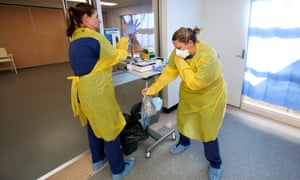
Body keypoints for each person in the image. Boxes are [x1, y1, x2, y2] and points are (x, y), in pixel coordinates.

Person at [142, 27, 228, 180]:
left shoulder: (208, 56)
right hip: (189, 95)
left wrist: (181, 63)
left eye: (179, 48)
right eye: (175, 48)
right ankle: (184, 142)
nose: (176, 51)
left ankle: (216, 163)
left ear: (190, 43)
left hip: (210, 98)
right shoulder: (179, 53)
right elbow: (168, 73)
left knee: (208, 131)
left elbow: (196, 83)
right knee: (183, 120)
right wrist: (152, 89)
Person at [65, 3, 135, 180]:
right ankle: (118, 170)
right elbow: (115, 56)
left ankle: (98, 159)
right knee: (110, 128)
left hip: (83, 91)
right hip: (97, 91)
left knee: (93, 124)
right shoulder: (94, 38)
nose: (100, 19)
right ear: (86, 18)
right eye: (97, 16)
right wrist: (126, 36)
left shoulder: (75, 38)